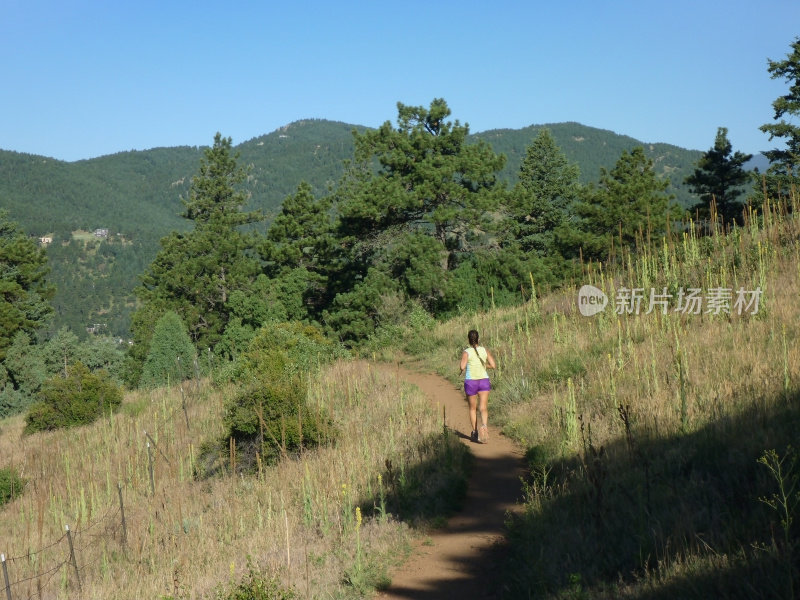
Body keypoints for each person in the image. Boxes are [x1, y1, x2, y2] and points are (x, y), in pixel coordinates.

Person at [459, 329, 496, 443]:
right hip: (484, 380)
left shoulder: (466, 352)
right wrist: (485, 366)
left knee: (472, 408)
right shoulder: (484, 350)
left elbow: (462, 367)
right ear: (478, 339)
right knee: (483, 407)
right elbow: (493, 365)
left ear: (468, 340)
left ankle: (475, 432)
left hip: (471, 382)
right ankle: (484, 426)